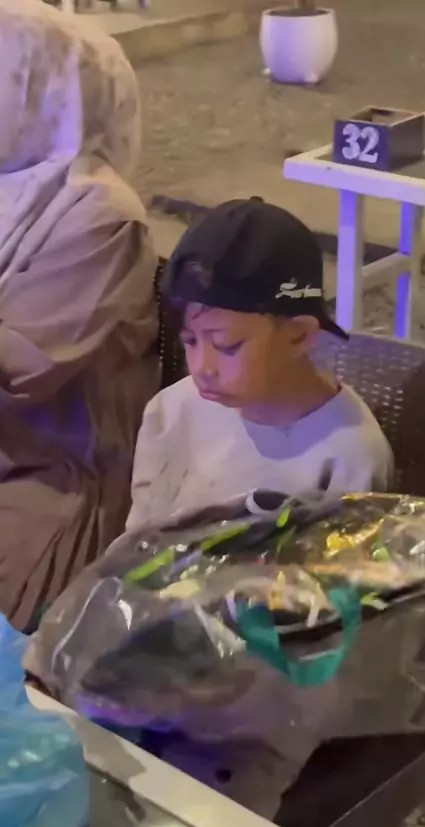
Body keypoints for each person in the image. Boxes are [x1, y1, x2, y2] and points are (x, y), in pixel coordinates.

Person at [0, 0, 159, 630]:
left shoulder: (99, 215)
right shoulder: (11, 187)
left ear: (42, 92)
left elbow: (21, 371)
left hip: (49, 475)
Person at [126, 199, 393, 532]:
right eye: (190, 341)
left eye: (226, 346)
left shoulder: (348, 455)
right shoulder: (171, 410)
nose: (202, 368)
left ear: (298, 335)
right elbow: (139, 545)